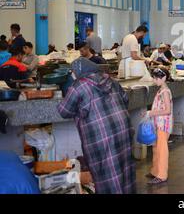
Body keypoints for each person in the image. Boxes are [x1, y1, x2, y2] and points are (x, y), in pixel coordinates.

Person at [57, 58, 135, 194]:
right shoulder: (111, 81)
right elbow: (125, 100)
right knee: (125, 168)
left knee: (106, 172)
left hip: (100, 136)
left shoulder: (79, 86)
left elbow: (64, 111)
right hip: (123, 129)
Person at [145, 68, 173, 185]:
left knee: (162, 150)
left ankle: (161, 175)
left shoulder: (165, 92)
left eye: (156, 78)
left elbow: (167, 110)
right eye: (154, 78)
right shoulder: (161, 90)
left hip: (163, 125)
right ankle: (155, 171)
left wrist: (151, 113)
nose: (154, 80)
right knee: (156, 148)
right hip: (158, 123)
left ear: (164, 78)